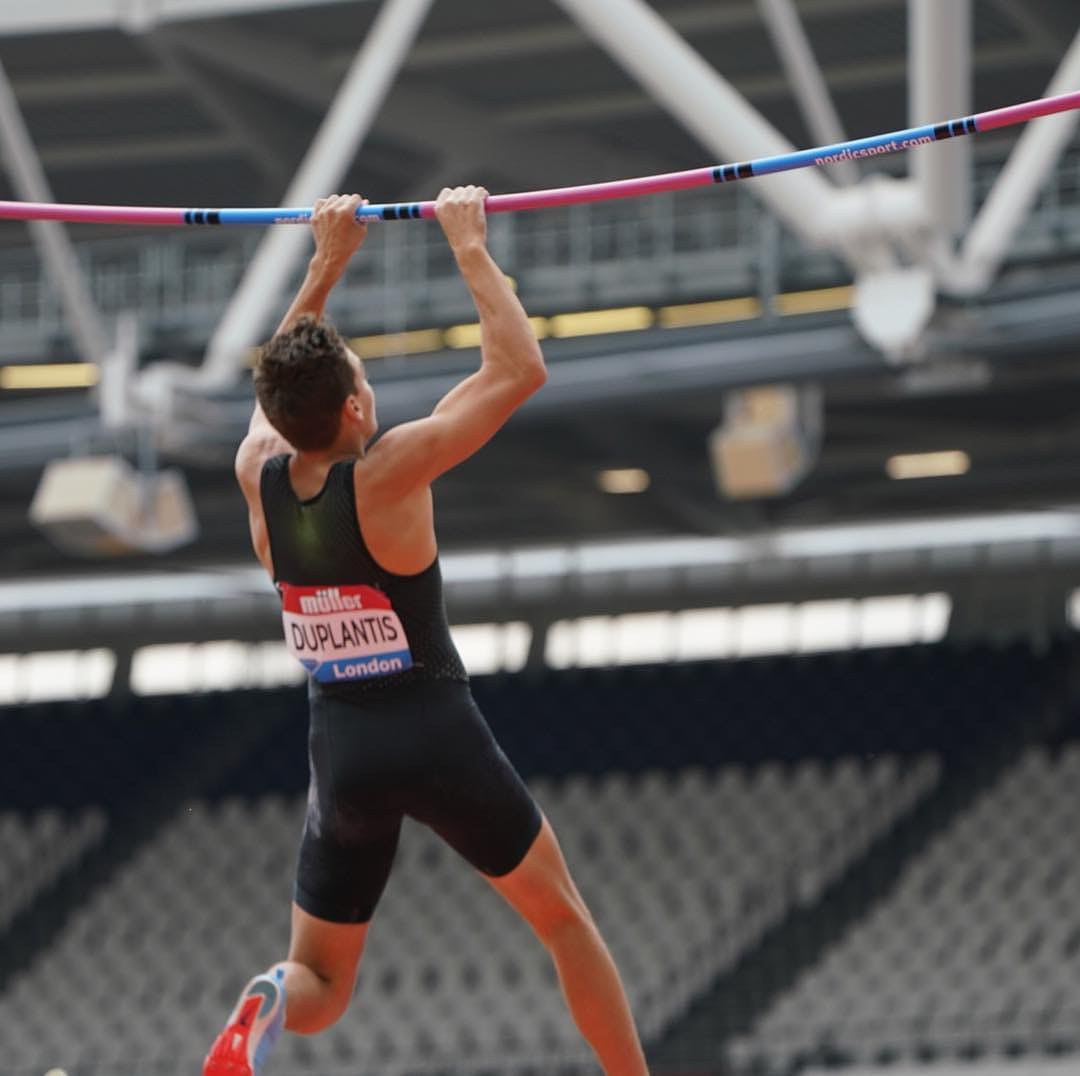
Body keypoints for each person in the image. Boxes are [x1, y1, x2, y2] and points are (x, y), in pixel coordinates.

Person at [203, 188, 648, 1076]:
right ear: (359, 412)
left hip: (343, 753)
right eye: (364, 381)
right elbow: (519, 370)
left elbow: (277, 388)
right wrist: (470, 247)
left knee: (322, 986)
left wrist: (327, 263)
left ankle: (269, 998)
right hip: (434, 731)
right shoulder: (387, 473)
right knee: (563, 920)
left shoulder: (260, 476)